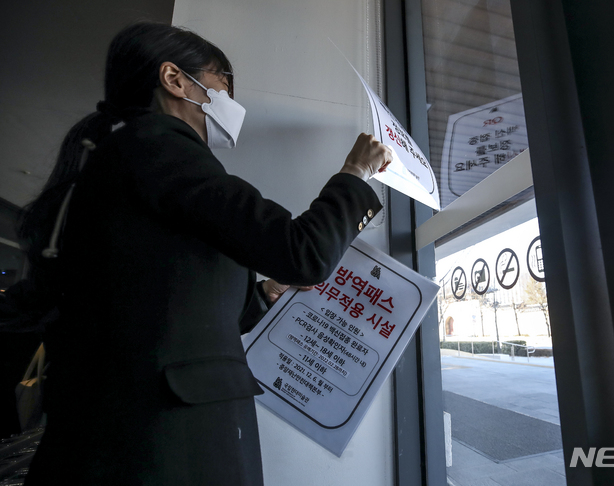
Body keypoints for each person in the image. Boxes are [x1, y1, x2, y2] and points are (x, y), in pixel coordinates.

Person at [17, 22, 390, 485]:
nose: (232, 102)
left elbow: (171, 307)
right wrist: (355, 175)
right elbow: (302, 252)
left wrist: (263, 294)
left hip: (141, 431)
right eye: (223, 84)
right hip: (163, 441)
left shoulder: (131, 158)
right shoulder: (158, 145)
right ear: (175, 79)